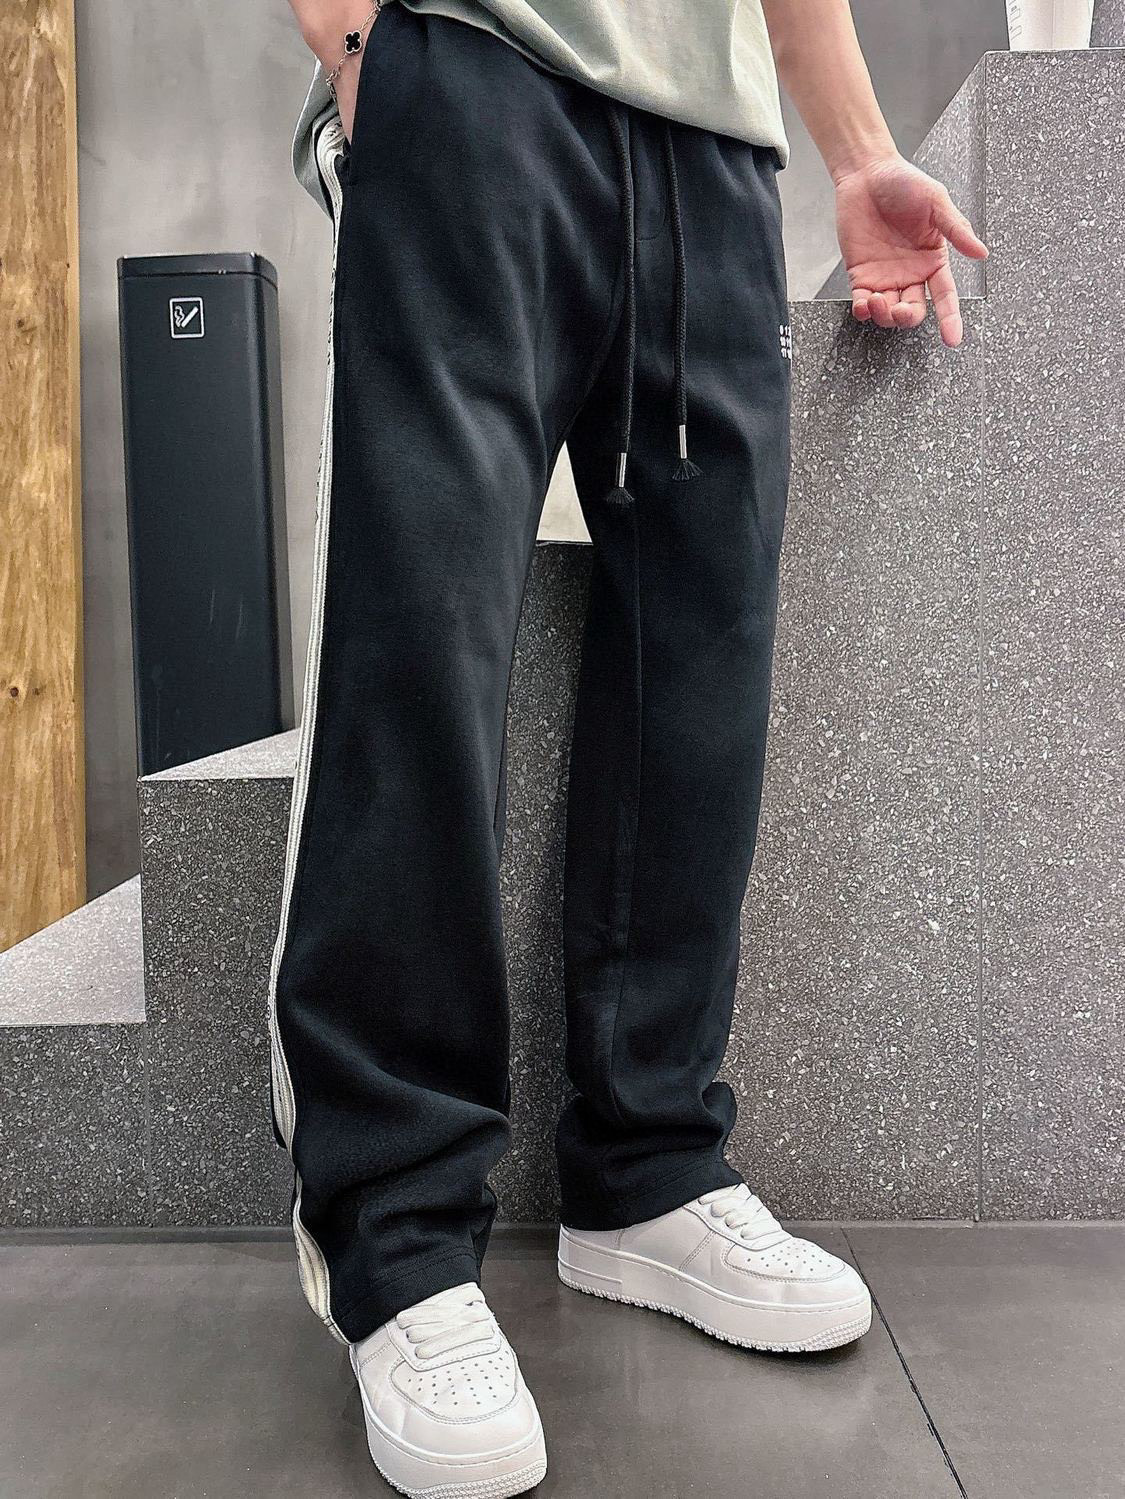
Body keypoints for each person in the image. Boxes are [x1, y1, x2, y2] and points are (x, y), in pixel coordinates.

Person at [273, 1, 987, 1492]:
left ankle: (647, 1168)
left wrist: (856, 153)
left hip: (714, 150)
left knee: (704, 659)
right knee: (423, 642)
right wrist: (357, 44)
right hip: (475, 65)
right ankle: (397, 1235)